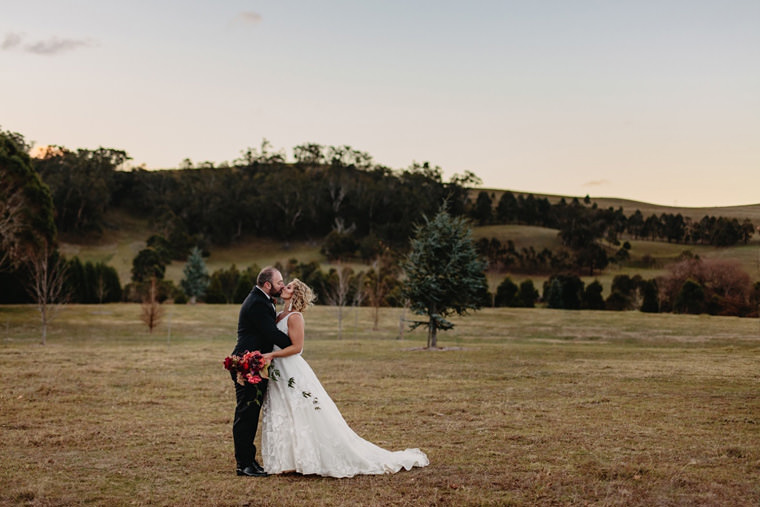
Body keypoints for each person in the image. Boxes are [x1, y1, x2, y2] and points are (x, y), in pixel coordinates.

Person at [260, 278, 429, 478]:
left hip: (290, 368)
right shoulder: (280, 314)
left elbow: (298, 348)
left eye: (288, 287)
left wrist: (272, 355)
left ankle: (309, 459)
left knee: (303, 410)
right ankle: (287, 460)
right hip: (278, 371)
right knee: (283, 410)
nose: (283, 288)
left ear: (295, 294)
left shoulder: (295, 317)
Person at [231, 266, 292, 477]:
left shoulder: (263, 299)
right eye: (279, 282)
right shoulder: (257, 302)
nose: (282, 285)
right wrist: (295, 344)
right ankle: (244, 465)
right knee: (246, 414)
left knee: (251, 413)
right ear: (267, 285)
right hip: (246, 364)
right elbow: (271, 333)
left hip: (257, 363)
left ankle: (250, 461)